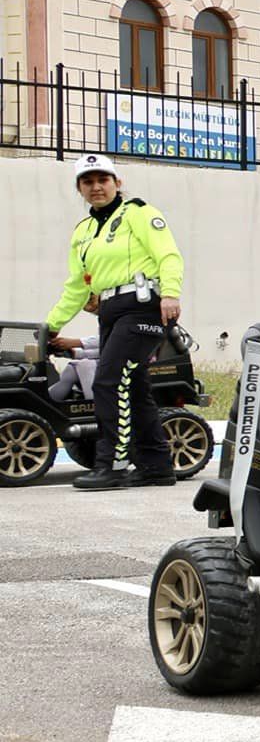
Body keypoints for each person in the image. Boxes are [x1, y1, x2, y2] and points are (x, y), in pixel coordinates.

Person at [44, 152, 185, 491]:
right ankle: (156, 466)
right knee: (134, 388)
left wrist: (170, 293)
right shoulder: (84, 231)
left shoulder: (138, 213)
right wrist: (50, 326)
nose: (96, 187)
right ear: (79, 188)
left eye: (103, 180)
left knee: (108, 381)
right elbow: (77, 285)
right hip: (110, 311)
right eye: (88, 182)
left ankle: (113, 464)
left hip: (144, 306)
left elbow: (168, 254)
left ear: (117, 183)